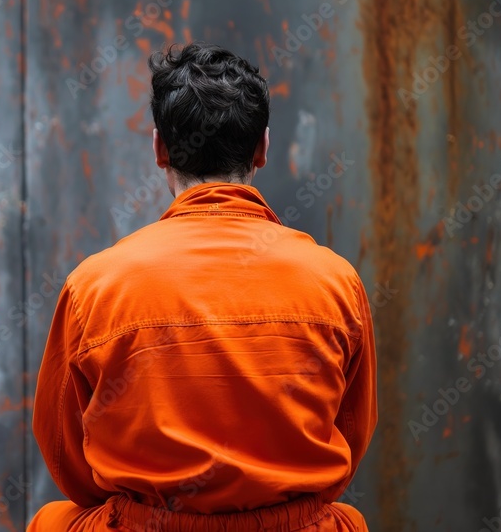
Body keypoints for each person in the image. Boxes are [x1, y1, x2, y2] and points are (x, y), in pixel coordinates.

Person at [28, 43, 377, 531]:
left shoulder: (96, 284)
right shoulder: (335, 280)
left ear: (160, 149)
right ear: (262, 148)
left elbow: (65, 456)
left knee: (54, 519)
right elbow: (351, 435)